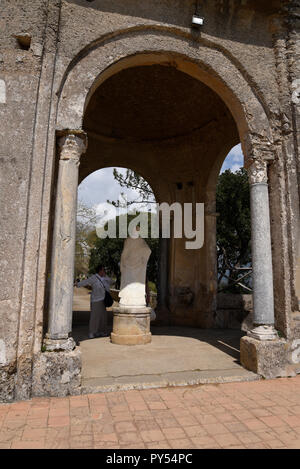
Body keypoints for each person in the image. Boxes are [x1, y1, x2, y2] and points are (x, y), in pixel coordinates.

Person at [76, 264, 111, 339]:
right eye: (103, 270)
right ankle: (92, 332)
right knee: (95, 317)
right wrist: (77, 284)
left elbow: (111, 282)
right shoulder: (94, 278)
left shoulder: (105, 278)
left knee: (103, 317)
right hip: (96, 300)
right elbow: (85, 282)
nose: (104, 271)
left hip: (103, 300)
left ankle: (101, 331)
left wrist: (106, 277)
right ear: (100, 270)